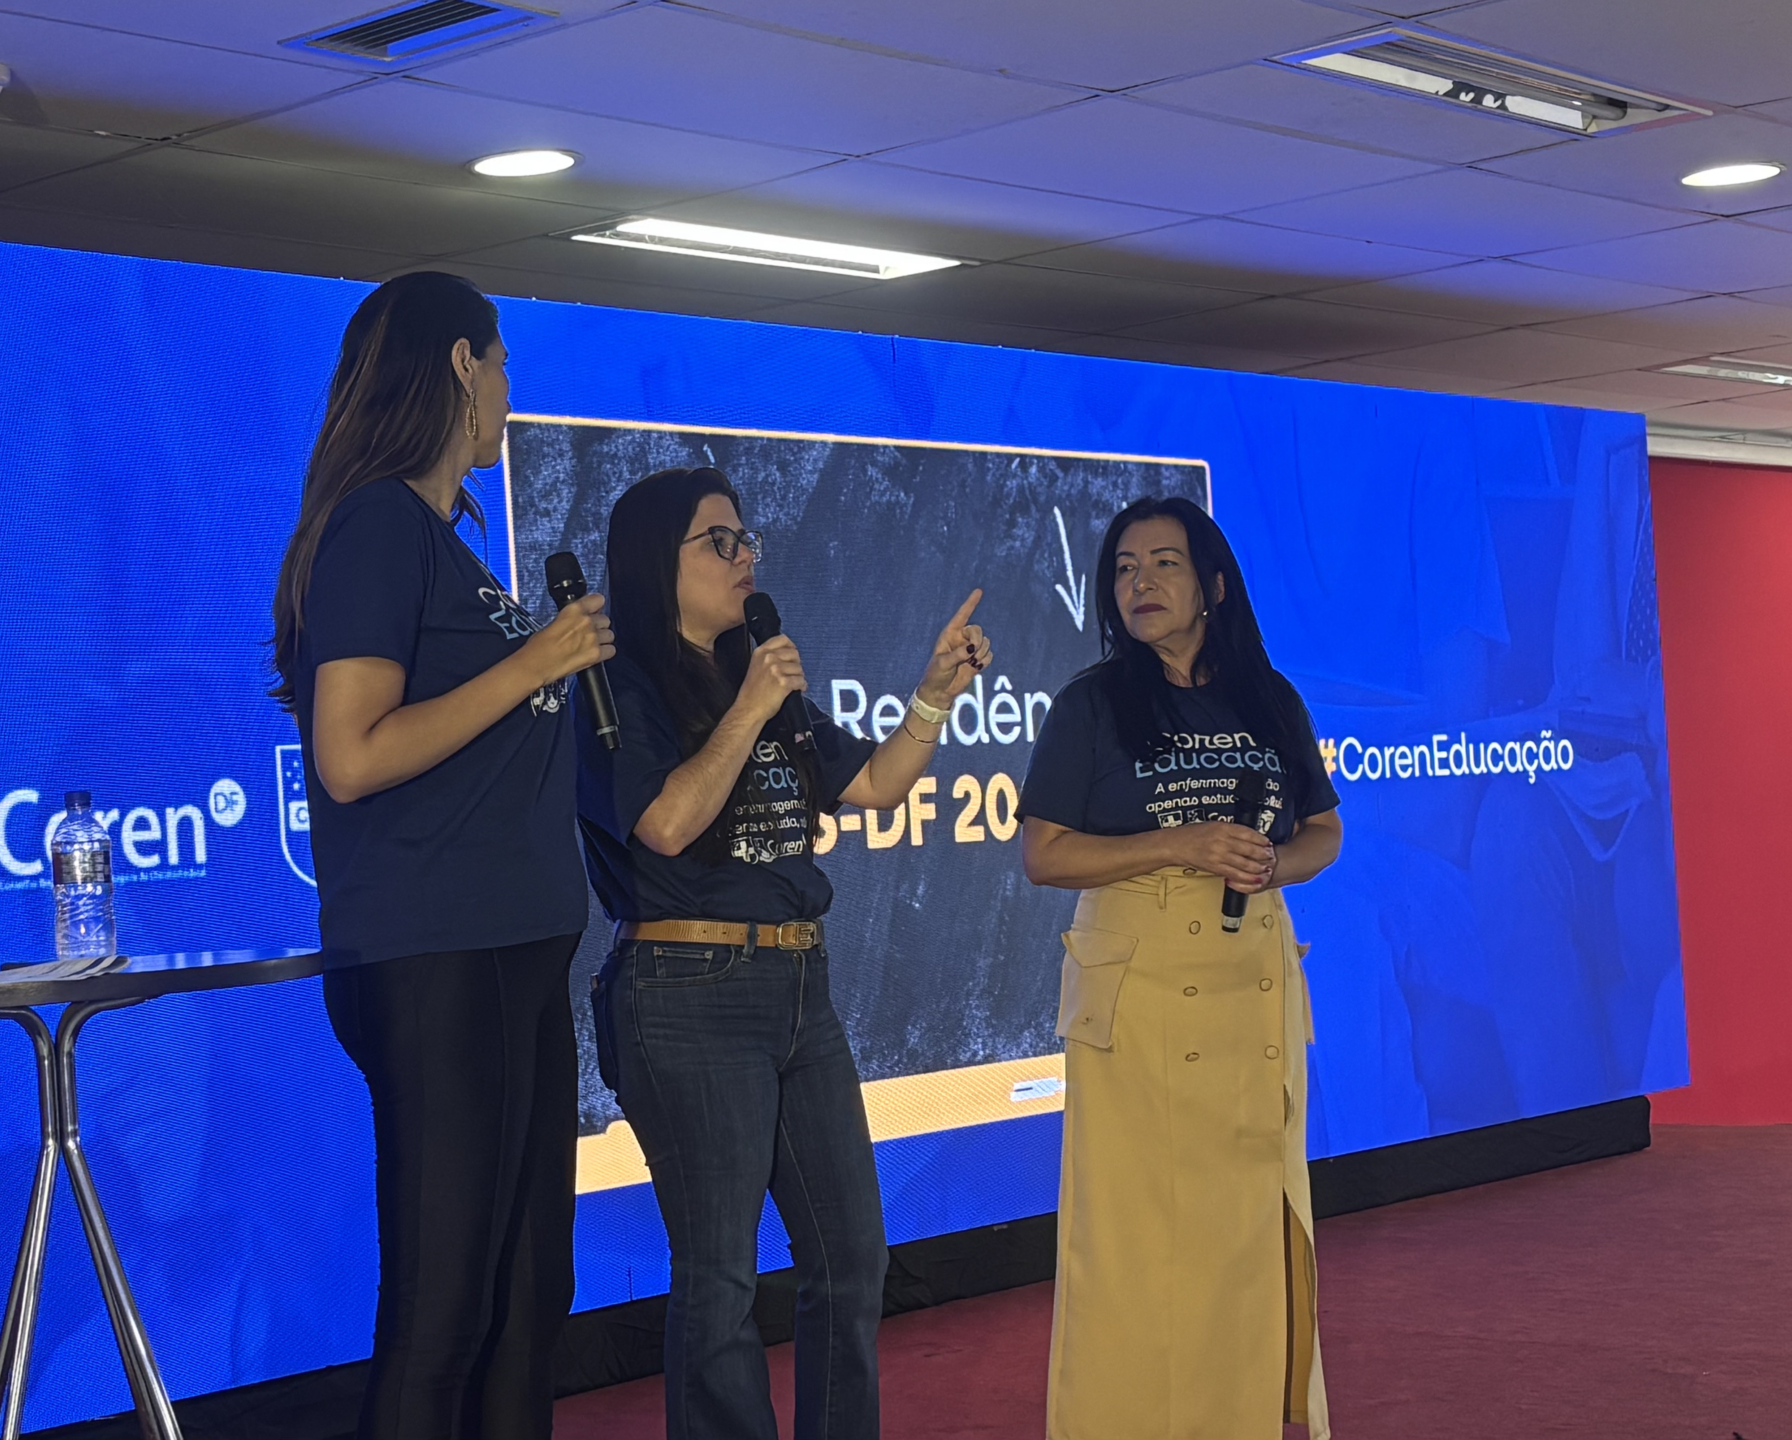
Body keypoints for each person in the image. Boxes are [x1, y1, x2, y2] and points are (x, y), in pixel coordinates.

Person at [575, 466, 991, 1440]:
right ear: (656, 560)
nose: (745, 556)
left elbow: (876, 785)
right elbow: (665, 823)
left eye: (746, 538)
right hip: (687, 993)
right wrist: (750, 708)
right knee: (719, 1275)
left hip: (801, 984)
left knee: (852, 1256)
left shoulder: (755, 674)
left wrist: (934, 696)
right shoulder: (612, 685)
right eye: (718, 541)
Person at [268, 271, 614, 1440]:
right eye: (503, 363)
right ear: (462, 365)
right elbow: (351, 754)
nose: (510, 391)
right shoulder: (375, 524)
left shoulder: (440, 539)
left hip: (513, 954)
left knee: (527, 1300)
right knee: (442, 1313)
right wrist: (534, 663)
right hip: (439, 962)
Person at [1017, 496, 1343, 1440]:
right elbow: (1044, 854)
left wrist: (1272, 863)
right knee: (1139, 1245)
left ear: (1214, 585)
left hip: (1251, 986)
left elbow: (1323, 830)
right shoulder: (1091, 703)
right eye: (1123, 568)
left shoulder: (1268, 698)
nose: (1140, 583)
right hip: (1145, 996)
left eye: (1164, 562)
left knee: (1244, 1230)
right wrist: (1180, 844)